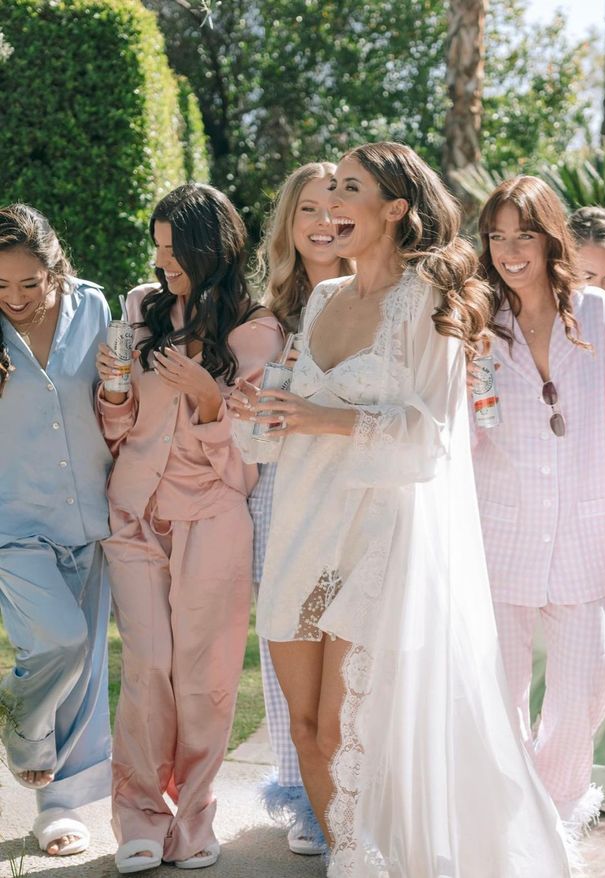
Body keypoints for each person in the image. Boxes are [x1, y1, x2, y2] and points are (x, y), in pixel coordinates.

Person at [230, 143, 572, 877]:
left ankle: (383, 862)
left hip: (377, 539)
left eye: (348, 191)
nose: (329, 208)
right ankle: (352, 860)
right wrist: (254, 411)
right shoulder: (321, 299)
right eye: (325, 195)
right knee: (305, 727)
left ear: (393, 208)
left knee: (349, 735)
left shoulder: (427, 301)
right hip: (301, 527)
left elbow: (432, 438)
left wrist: (318, 417)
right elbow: (270, 438)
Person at [95, 183, 282, 874]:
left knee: (204, 678)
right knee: (146, 669)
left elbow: (251, 459)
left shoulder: (256, 331)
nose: (160, 259)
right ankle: (140, 817)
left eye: (173, 249)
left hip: (213, 519)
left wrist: (209, 404)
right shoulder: (141, 310)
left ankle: (195, 821)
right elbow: (119, 430)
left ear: (211, 250)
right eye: (157, 245)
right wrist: (114, 394)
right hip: (137, 515)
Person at [472, 176, 605, 833]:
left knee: (588, 687)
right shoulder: (476, 319)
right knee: (500, 697)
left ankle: (553, 808)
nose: (510, 250)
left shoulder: (597, 314)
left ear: (550, 239)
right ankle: (513, 824)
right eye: (496, 237)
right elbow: (460, 429)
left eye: (524, 235)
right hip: (497, 534)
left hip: (578, 538)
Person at [529, 206, 605, 816]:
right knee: (531, 651)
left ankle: (595, 771)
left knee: (600, 651)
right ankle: (524, 770)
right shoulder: (527, 311)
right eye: (583, 274)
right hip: (537, 505)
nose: (593, 290)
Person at [0, 204, 112, 857]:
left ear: (55, 268)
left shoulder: (94, 310)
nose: (14, 298)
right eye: (0, 287)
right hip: (12, 521)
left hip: (88, 513)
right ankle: (22, 727)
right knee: (60, 642)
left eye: (28, 283)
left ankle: (60, 809)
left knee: (85, 668)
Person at [248, 161, 351, 855]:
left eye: (335, 209)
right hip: (278, 491)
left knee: (349, 648)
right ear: (288, 222)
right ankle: (304, 799)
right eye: (307, 209)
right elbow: (249, 428)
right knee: (287, 639)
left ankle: (357, 792)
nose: (322, 222)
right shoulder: (263, 315)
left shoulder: (380, 299)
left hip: (354, 493)